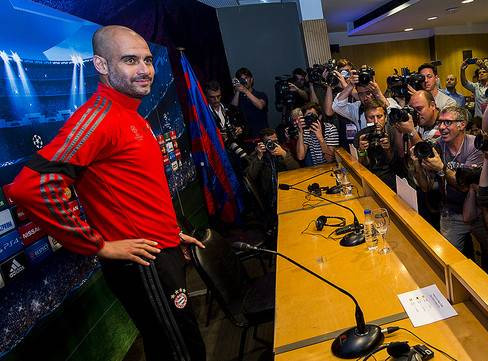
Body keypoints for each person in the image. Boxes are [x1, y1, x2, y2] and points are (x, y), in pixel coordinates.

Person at [7, 25, 206, 361]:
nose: (144, 69)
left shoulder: (131, 115)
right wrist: (98, 245)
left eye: (147, 60)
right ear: (101, 65)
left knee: (180, 343)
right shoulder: (99, 117)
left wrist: (171, 234)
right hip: (144, 263)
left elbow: (135, 193)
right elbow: (29, 186)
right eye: (130, 60)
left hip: (162, 249)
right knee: (181, 352)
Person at [415, 106, 483, 252]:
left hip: (479, 212)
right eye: (440, 122)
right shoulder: (437, 145)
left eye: (447, 123)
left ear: (462, 124)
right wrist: (417, 164)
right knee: (449, 257)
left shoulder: (475, 145)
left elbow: (464, 186)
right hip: (451, 211)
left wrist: (441, 168)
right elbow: (425, 187)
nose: (441, 127)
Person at [246, 128, 299, 232]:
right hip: (269, 200)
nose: (272, 145)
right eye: (269, 142)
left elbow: (297, 169)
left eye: (275, 141)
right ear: (261, 143)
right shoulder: (256, 155)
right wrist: (259, 157)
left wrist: (284, 154)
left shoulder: (283, 150)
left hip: (287, 194)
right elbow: (250, 177)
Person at [332, 66, 400, 131]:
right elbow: (337, 106)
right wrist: (350, 86)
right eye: (361, 94)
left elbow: (399, 118)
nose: (365, 97)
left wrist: (378, 94)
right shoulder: (357, 108)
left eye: (368, 93)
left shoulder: (389, 102)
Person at [354, 100, 399, 189]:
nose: (375, 121)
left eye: (379, 116)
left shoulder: (394, 133)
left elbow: (397, 165)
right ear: (366, 119)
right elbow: (362, 165)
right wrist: (362, 151)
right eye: (371, 117)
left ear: (386, 118)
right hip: (369, 177)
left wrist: (387, 149)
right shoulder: (361, 136)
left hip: (391, 177)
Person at [231, 67, 268, 138]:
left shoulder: (260, 94)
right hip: (246, 136)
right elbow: (233, 108)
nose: (243, 81)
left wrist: (245, 91)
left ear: (251, 79)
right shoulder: (238, 97)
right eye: (241, 79)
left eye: (245, 78)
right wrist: (238, 90)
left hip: (262, 134)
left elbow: (260, 105)